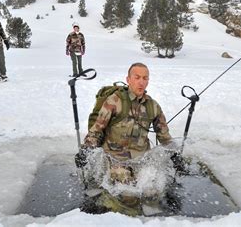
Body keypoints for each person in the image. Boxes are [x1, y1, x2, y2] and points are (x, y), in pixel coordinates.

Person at [77, 63, 180, 213]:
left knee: (153, 193)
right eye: (137, 77)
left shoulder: (153, 106)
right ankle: (108, 208)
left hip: (141, 160)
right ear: (129, 79)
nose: (141, 82)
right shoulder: (115, 101)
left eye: (145, 78)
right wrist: (86, 150)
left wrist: (174, 154)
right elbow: (96, 130)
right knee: (127, 196)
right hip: (115, 159)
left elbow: (164, 136)